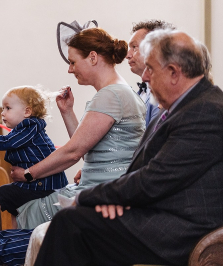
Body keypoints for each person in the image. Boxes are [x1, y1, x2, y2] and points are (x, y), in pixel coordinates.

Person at [34, 29, 223, 266]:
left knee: (72, 222)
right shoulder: (181, 108)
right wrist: (115, 199)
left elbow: (156, 179)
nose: (144, 76)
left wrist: (88, 197)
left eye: (151, 69)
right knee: (76, 221)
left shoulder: (205, 111)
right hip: (161, 211)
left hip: (185, 228)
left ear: (174, 73)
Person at [12, 27, 145, 230]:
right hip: (104, 187)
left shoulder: (110, 95)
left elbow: (73, 152)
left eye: (73, 62)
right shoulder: (120, 91)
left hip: (102, 193)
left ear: (93, 57)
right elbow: (89, 150)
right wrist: (67, 112)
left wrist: (29, 173)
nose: (70, 69)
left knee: (25, 207)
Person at [0, 86, 68, 228]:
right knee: (13, 204)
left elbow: (7, 142)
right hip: (40, 183)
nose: (2, 113)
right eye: (3, 108)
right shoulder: (27, 128)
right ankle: (14, 235)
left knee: (4, 193)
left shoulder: (30, 126)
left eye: (8, 108)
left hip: (45, 185)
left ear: (27, 111)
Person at [126, 19, 176, 126]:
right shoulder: (140, 92)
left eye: (134, 47)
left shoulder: (166, 91)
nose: (128, 55)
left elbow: (155, 133)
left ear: (153, 48)